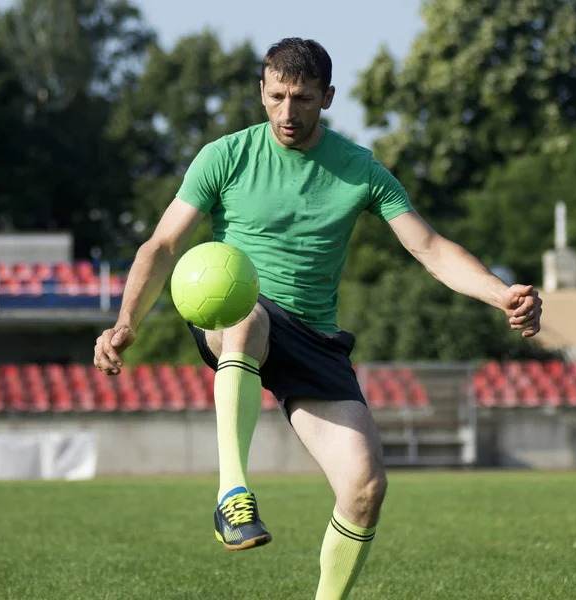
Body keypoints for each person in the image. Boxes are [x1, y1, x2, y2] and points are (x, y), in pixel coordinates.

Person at [93, 38, 542, 599]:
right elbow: (160, 246)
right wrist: (127, 319)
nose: (287, 111)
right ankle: (232, 493)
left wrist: (501, 294)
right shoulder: (225, 156)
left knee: (365, 485)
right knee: (247, 317)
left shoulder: (360, 169)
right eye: (276, 95)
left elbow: (429, 247)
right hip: (233, 313)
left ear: (327, 97)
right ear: (261, 92)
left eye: (302, 98)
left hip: (314, 338)